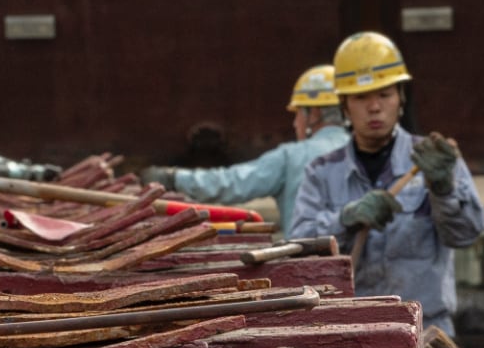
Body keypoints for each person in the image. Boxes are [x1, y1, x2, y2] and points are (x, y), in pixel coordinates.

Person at [286, 31, 484, 335]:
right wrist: (345, 219)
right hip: (354, 333)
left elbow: (467, 234)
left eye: (384, 94)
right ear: (344, 106)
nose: (374, 107)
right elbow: (297, 248)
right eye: (361, 97)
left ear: (401, 98)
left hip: (425, 332)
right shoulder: (322, 173)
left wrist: (443, 189)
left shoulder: (434, 161)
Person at [141, 65, 348, 229]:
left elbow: (233, 183)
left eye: (297, 114)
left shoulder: (292, 157)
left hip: (312, 269)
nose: (295, 123)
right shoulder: (363, 151)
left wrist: (173, 178)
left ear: (314, 114)